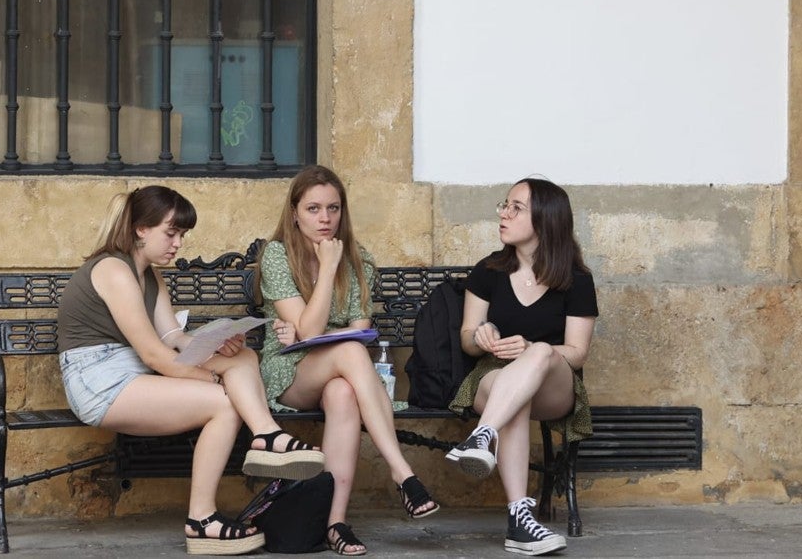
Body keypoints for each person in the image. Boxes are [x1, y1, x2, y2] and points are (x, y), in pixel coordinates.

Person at [57, 186, 325, 556]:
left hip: (131, 369)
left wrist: (219, 347)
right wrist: (215, 379)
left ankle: (266, 436)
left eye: (182, 235)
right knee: (224, 404)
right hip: (99, 380)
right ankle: (202, 521)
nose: (178, 243)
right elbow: (154, 355)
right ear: (140, 229)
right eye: (171, 233)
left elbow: (175, 340)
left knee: (243, 358)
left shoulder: (151, 277)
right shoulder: (113, 270)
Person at [257, 165, 440, 557]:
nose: (325, 219)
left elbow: (358, 329)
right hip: (289, 373)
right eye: (313, 209)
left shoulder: (359, 259)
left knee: (343, 393)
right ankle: (402, 472)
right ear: (294, 213)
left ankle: (335, 523)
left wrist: (317, 334)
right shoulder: (276, 255)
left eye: (333, 208)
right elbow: (312, 333)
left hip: (340, 373)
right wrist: (326, 269)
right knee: (352, 353)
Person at [444, 177, 597, 557]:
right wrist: (481, 334)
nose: (503, 213)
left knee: (543, 352)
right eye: (504, 204)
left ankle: (481, 436)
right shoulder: (489, 271)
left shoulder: (576, 279)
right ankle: (519, 521)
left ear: (545, 220)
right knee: (516, 397)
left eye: (516, 207)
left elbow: (577, 352)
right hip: (492, 378)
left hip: (554, 384)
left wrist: (532, 349)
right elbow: (466, 336)